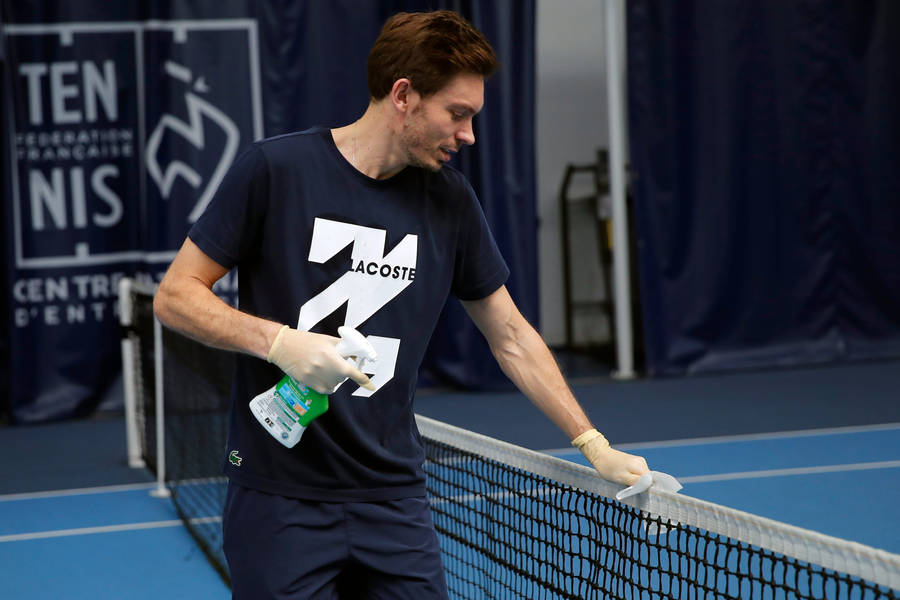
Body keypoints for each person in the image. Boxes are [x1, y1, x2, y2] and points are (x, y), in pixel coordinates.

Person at [154, 9, 650, 599]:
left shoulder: (451, 201)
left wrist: (591, 442)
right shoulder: (275, 169)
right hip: (278, 499)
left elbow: (510, 334)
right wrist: (279, 343)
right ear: (404, 95)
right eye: (457, 114)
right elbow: (175, 296)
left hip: (394, 503)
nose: (468, 135)